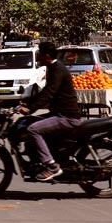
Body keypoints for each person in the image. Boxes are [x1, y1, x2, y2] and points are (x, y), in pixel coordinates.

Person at [14, 40, 81, 181]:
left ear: (47, 56)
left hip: (66, 116)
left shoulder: (58, 70)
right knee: (28, 122)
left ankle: (51, 166)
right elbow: (44, 91)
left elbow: (49, 92)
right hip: (59, 113)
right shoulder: (52, 68)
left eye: (40, 55)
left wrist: (30, 108)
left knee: (33, 129)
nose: (38, 58)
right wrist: (26, 102)